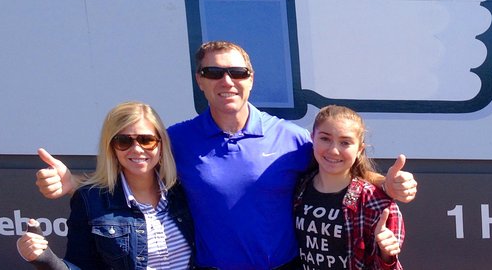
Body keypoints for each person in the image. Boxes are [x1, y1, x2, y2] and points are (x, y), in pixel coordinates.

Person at [35, 41, 418, 270]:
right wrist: (74, 185)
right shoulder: (176, 140)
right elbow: (133, 174)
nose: (227, 81)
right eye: (214, 72)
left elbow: (337, 166)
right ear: (199, 80)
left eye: (238, 72)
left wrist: (386, 184)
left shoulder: (291, 137)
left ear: (251, 79)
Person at [18, 102, 195, 269]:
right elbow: (80, 266)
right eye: (123, 141)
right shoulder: (90, 200)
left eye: (146, 140)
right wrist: (46, 259)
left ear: (161, 144)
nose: (137, 149)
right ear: (112, 148)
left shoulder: (184, 191)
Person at [294, 105, 404, 270]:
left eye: (345, 142)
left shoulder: (376, 203)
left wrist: (386, 254)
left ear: (359, 149)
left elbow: (389, 265)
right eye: (325, 139)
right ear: (312, 139)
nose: (334, 150)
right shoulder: (298, 188)